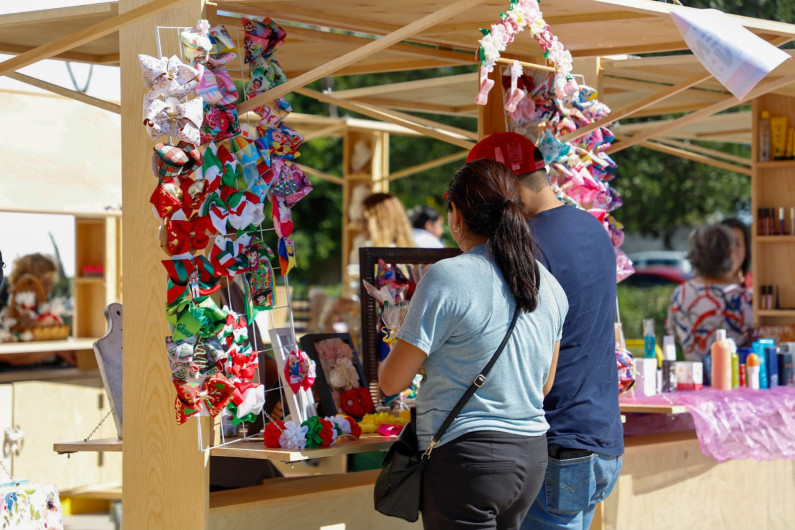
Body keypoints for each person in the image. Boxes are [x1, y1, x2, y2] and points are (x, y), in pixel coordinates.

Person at [379, 159, 568, 529]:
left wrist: (400, 344)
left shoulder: (446, 276)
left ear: (455, 214)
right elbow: (544, 384)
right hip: (531, 454)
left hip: (467, 458)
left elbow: (391, 382)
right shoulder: (549, 284)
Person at [466, 132, 623, 530]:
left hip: (557, 441)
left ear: (503, 185)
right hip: (602, 435)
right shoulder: (592, 227)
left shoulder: (525, 246)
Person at [666, 223, 753, 362]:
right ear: (730, 254)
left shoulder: (680, 294)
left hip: (692, 373)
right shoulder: (744, 299)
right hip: (735, 374)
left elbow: (673, 333)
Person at [0, 253, 76, 368]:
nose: (48, 290)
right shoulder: (9, 311)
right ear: (26, 283)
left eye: (50, 284)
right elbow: (7, 355)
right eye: (44, 284)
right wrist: (57, 350)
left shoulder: (40, 309)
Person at [720, 217, 751, 289]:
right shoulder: (702, 285)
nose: (732, 249)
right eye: (727, 243)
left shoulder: (755, 284)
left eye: (737, 243)